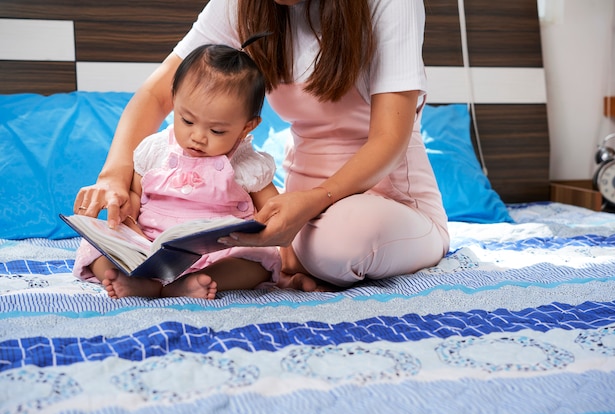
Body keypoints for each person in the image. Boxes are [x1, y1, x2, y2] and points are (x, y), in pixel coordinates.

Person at [75, 0, 450, 293]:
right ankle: (293, 259)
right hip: (299, 208)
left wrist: (314, 200)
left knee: (339, 243)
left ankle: (303, 257)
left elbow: (389, 139)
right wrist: (114, 176)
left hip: (388, 202)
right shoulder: (245, 5)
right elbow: (159, 92)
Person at [73, 40, 281, 299]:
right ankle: (138, 280)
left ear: (247, 126)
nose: (198, 137)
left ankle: (183, 285)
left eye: (216, 130)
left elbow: (276, 211)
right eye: (187, 120)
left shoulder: (247, 163)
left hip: (215, 253)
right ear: (174, 100)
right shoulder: (155, 149)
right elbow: (136, 193)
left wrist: (261, 230)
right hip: (150, 245)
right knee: (97, 249)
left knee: (258, 262)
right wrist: (127, 216)